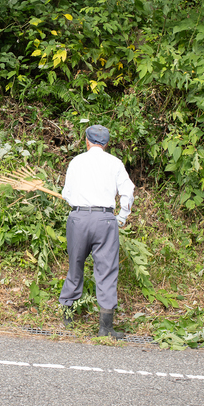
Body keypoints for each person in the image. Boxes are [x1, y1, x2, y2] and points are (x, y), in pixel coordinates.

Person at [59, 124, 135, 339]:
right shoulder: (115, 163)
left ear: (86, 141)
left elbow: (67, 194)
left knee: (75, 266)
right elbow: (128, 191)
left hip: (79, 218)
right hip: (105, 219)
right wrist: (121, 216)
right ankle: (105, 328)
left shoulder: (76, 162)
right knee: (107, 270)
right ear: (106, 144)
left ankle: (68, 318)